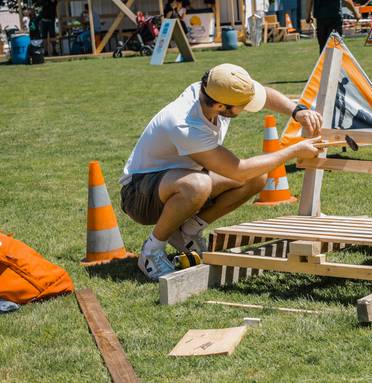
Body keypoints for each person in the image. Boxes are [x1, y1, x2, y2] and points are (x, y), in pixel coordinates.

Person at [120, 63, 323, 280]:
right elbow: (238, 170)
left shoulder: (218, 88)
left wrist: (297, 111)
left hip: (175, 180)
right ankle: (151, 252)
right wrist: (293, 150)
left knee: (257, 176)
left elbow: (265, 95)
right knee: (198, 185)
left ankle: (187, 232)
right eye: (242, 106)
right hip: (138, 195)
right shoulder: (186, 125)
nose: (246, 108)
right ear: (220, 106)